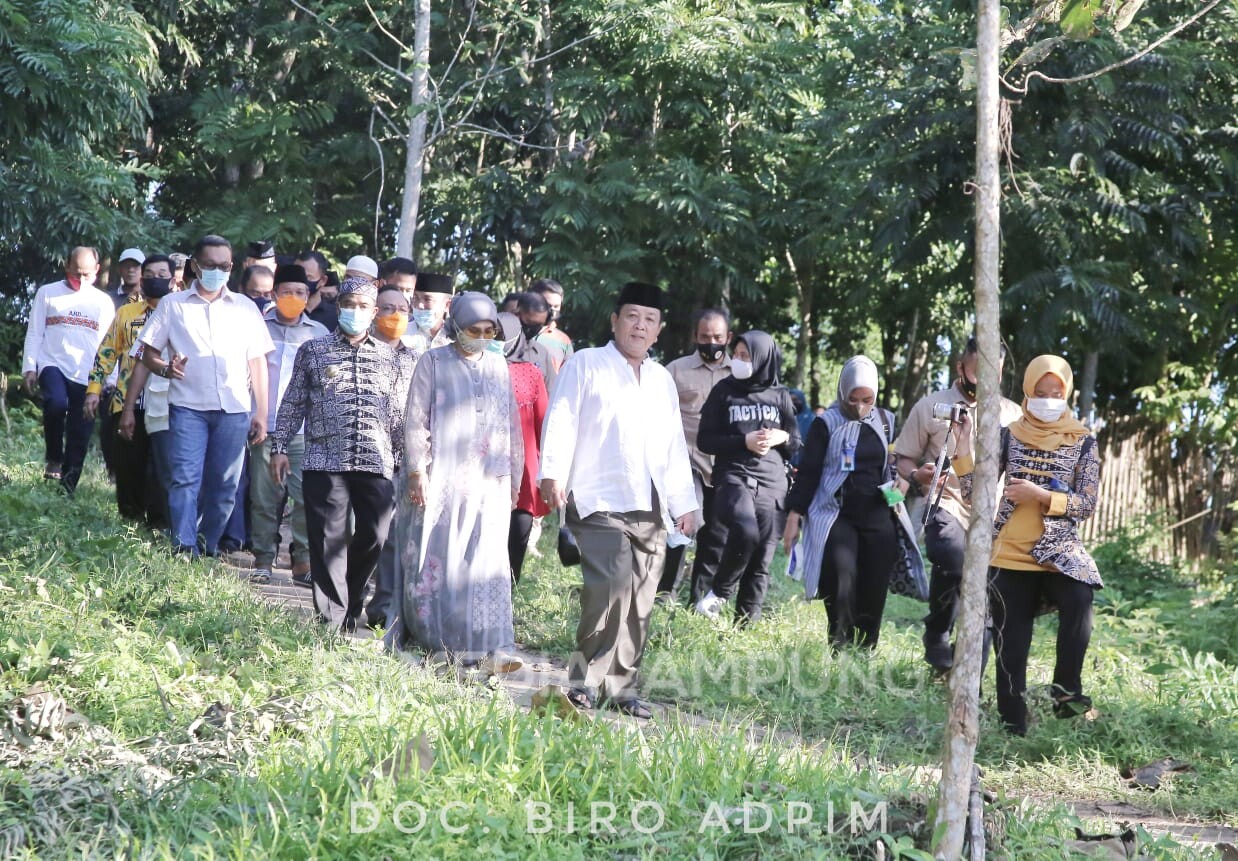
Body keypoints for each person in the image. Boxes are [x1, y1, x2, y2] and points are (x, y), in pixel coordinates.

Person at [539, 282, 698, 718]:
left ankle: (621, 687)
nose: (639, 326)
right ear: (615, 321)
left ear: (659, 330)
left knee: (642, 597)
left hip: (650, 504)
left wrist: (686, 502)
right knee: (610, 587)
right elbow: (563, 416)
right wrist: (553, 473)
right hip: (596, 495)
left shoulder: (662, 379)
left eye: (649, 320)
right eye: (632, 316)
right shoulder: (587, 363)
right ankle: (582, 679)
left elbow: (673, 445)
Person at [952, 355, 1101, 736]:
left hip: (1059, 551)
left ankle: (1066, 690)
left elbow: (1086, 504)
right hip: (1009, 554)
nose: (1049, 399)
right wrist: (964, 444)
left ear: (1067, 393)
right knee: (1011, 649)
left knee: (1080, 596)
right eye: (1040, 392)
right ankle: (1011, 728)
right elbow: (973, 494)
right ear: (1028, 392)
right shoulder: (1009, 434)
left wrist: (1040, 496)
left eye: (1056, 392)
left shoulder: (1083, 440)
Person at [393, 293, 524, 672]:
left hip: (490, 479)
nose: (481, 337)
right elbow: (416, 420)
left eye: (488, 330)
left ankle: (493, 645)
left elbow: (509, 423)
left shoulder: (499, 365)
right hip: (444, 476)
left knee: (486, 558)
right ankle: (440, 640)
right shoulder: (433, 361)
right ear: (456, 326)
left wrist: (512, 476)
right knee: (444, 556)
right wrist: (418, 471)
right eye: (473, 330)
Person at [270, 276, 404, 631]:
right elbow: (293, 403)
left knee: (375, 534)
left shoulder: (390, 359)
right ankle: (331, 622)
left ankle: (352, 596)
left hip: (376, 461)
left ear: (374, 312)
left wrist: (407, 461)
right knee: (328, 540)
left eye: (363, 306)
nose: (355, 312)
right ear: (339, 306)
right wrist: (279, 446)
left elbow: (398, 415)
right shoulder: (313, 351)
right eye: (349, 305)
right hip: (324, 459)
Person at [138, 234, 273, 556]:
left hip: (234, 409)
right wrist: (166, 369)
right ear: (196, 266)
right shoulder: (173, 305)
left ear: (232, 267)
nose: (217, 271)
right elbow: (147, 353)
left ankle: (206, 545)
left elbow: (258, 361)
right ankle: (184, 547)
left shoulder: (245, 308)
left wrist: (262, 413)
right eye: (210, 265)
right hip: (187, 408)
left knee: (225, 487)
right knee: (184, 480)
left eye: (224, 265)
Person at [894, 336, 1022, 671]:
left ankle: (967, 677)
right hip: (946, 503)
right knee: (953, 556)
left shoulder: (1013, 415)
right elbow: (904, 458)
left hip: (994, 517)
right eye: (979, 369)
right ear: (960, 367)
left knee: (985, 593)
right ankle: (938, 630)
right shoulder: (930, 407)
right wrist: (918, 476)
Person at [783, 357, 925, 650]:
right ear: (842, 391)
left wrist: (902, 487)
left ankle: (866, 648)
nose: (860, 407)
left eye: (867, 400)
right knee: (841, 575)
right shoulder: (827, 423)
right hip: (837, 513)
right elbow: (809, 473)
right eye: (853, 399)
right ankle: (840, 644)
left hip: (877, 512)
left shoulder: (885, 421)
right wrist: (794, 516)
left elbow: (891, 469)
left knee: (874, 583)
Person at [694, 331, 800, 624]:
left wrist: (781, 437)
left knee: (760, 564)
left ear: (763, 359)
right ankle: (718, 593)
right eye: (736, 354)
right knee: (745, 531)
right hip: (734, 477)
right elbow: (705, 440)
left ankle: (744, 632)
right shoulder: (724, 391)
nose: (738, 361)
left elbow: (796, 444)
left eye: (745, 356)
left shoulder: (780, 396)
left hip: (773, 484)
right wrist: (744, 442)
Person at [246, 265, 329, 585]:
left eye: (301, 293)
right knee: (264, 497)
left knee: (307, 498)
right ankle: (264, 558)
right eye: (287, 292)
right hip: (265, 427)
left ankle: (302, 561)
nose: (293, 298)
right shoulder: (257, 327)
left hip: (305, 432)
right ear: (274, 294)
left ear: (309, 297)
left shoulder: (319, 334)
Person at [85, 254, 174, 524]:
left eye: (162, 274)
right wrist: (93, 389)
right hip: (126, 402)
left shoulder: (182, 312)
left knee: (162, 469)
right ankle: (130, 523)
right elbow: (106, 353)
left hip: (168, 403)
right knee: (128, 467)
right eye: (149, 274)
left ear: (173, 278)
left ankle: (159, 525)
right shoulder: (126, 312)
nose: (155, 279)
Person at [21, 246, 116, 492]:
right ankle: (54, 456)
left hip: (87, 374)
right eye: (77, 273)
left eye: (87, 274)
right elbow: (34, 331)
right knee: (55, 403)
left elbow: (110, 344)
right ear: (67, 266)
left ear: (97, 271)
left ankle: (68, 486)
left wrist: (110, 379)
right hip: (53, 363)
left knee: (80, 432)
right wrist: (30, 367)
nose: (81, 279)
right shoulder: (48, 293)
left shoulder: (103, 302)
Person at [658, 308, 732, 602]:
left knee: (716, 533)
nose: (711, 342)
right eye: (704, 337)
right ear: (695, 337)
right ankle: (666, 592)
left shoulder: (740, 374)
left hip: (726, 466)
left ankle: (701, 597)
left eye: (717, 337)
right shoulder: (675, 371)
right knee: (686, 523)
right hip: (686, 463)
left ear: (728, 338)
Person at [364, 285, 419, 628]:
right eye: (387, 308)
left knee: (392, 536)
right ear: (374, 313)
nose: (394, 315)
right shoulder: (356, 352)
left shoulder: (417, 360)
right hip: (356, 458)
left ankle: (383, 607)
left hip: (398, 459)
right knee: (357, 534)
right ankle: (348, 600)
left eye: (402, 309)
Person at [498, 311, 550, 582]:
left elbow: (543, 421)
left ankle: (506, 587)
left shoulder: (531, 373)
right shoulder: (474, 368)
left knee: (514, 524)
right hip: (506, 463)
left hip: (515, 464)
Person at [511, 292, 559, 394]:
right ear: (517, 314)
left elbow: (552, 394)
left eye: (539, 325)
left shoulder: (543, 354)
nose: (533, 328)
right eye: (530, 323)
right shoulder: (496, 348)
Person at [529, 278, 573, 370]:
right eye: (548, 305)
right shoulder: (517, 330)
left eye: (556, 306)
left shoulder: (563, 340)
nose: (552, 310)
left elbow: (567, 375)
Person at [406, 271, 454, 353]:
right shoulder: (403, 334)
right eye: (416, 298)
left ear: (447, 305)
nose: (420, 305)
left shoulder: (454, 340)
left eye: (427, 299)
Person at [300, 250, 338, 330]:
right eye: (296, 274)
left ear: (322, 281)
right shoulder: (281, 310)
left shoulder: (335, 317)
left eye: (308, 277)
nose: (300, 281)